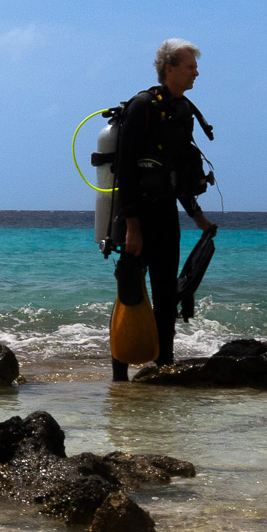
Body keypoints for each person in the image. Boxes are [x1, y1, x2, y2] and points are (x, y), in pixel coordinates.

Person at [112, 38, 218, 378]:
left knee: (166, 294)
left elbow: (181, 170)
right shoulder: (143, 107)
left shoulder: (183, 111)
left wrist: (197, 216)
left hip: (165, 215)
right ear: (169, 69)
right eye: (190, 67)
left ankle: (164, 367)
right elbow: (125, 169)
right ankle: (119, 378)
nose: (196, 73)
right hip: (136, 215)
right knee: (131, 290)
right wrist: (132, 228)